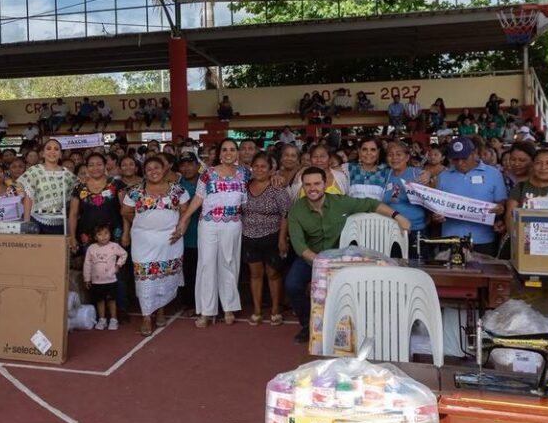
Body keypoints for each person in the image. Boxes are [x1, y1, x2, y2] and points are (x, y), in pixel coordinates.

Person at [284, 166, 411, 343]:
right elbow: (299, 246)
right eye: (308, 185)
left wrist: (398, 216)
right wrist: (321, 264)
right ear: (303, 187)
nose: (312, 188)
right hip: (311, 258)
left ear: (325, 183)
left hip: (340, 258)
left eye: (316, 183)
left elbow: (371, 204)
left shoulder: (341, 202)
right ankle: (308, 325)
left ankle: (349, 327)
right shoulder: (297, 210)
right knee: (292, 285)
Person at [174, 138, 248, 327]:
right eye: (225, 150)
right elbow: (198, 198)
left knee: (229, 264)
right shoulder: (208, 174)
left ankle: (229, 308)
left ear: (237, 153)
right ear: (219, 154)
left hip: (233, 224)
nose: (228, 153)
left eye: (232, 149)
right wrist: (184, 218)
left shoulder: (245, 173)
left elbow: (249, 198)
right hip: (208, 225)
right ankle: (206, 311)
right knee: (206, 265)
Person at [121, 154, 187, 336]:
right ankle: (146, 316)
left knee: (165, 277)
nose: (153, 172)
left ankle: (161, 311)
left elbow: (185, 211)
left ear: (164, 169)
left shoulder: (177, 190)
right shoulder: (135, 191)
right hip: (143, 242)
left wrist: (181, 229)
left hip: (170, 241)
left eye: (157, 168)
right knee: (145, 278)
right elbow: (125, 210)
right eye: (149, 169)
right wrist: (141, 224)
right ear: (144, 172)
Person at [432, 137, 507, 256]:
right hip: (450, 238)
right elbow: (436, 206)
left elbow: (501, 202)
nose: (460, 163)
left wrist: (500, 210)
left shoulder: (493, 174)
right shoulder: (444, 176)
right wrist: (436, 216)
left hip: (483, 239)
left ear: (475, 153)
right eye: (455, 159)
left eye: (464, 158)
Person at [241, 152, 291, 326]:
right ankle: (256, 310)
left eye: (263, 166)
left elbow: (286, 214)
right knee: (255, 275)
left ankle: (275, 310)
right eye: (256, 166)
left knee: (273, 274)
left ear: (271, 170)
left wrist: (282, 239)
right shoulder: (245, 186)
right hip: (249, 237)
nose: (259, 169)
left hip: (272, 237)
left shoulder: (277, 188)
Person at [16, 137, 76, 234]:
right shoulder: (34, 171)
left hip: (60, 223)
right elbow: (28, 197)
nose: (52, 152)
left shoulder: (67, 174)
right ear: (43, 153)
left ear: (60, 154)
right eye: (48, 148)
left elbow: (74, 197)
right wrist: (27, 223)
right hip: (36, 222)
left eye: (56, 149)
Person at [82, 223, 127, 330]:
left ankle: (113, 319)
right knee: (100, 300)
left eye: (106, 233)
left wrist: (118, 265)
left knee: (112, 300)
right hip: (97, 282)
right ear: (95, 237)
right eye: (100, 234)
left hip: (111, 280)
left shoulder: (114, 246)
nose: (104, 236)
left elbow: (124, 254)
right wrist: (87, 279)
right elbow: (87, 264)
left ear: (110, 234)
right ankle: (102, 319)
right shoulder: (91, 248)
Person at [175, 154, 201, 312]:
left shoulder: (207, 183)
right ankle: (190, 303)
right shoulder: (176, 186)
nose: (187, 168)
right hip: (184, 238)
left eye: (190, 164)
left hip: (206, 236)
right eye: (183, 165)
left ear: (198, 165)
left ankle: (205, 302)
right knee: (188, 272)